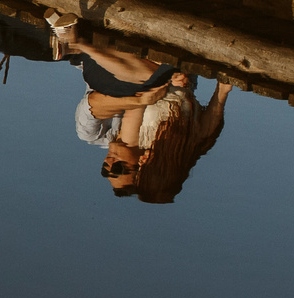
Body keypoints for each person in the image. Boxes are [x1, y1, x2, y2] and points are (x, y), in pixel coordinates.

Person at [53, 14, 234, 201]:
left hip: (121, 72)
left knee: (144, 81)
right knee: (148, 78)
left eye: (105, 170)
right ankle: (77, 44)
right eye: (119, 168)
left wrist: (162, 86)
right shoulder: (187, 142)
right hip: (159, 68)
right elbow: (221, 94)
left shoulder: (103, 137)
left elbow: (114, 104)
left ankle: (78, 45)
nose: (109, 163)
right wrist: (181, 79)